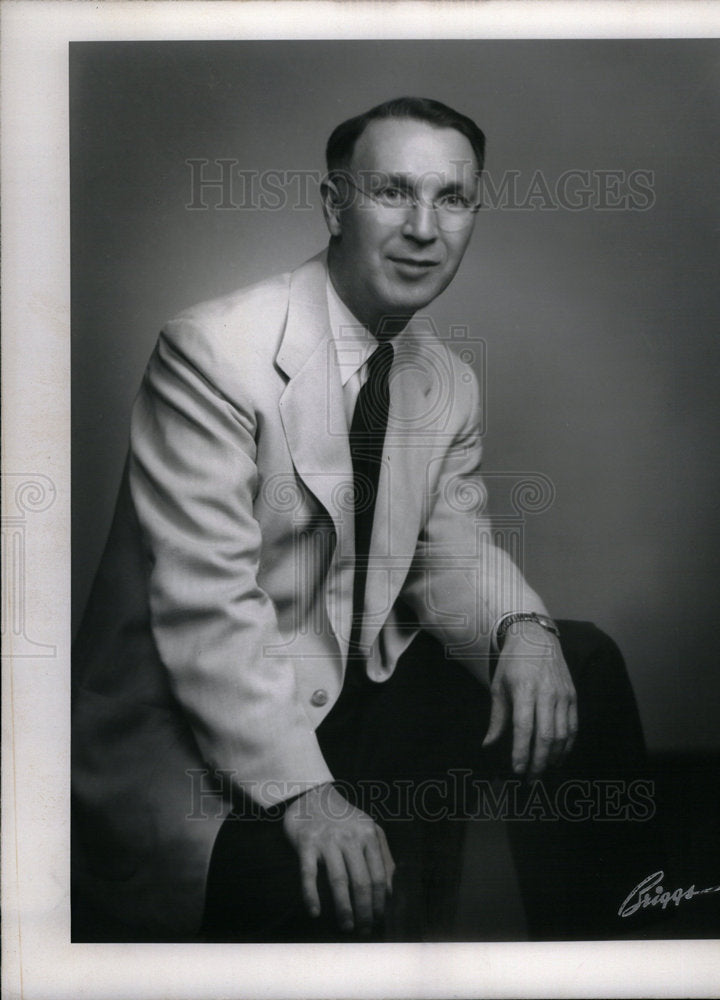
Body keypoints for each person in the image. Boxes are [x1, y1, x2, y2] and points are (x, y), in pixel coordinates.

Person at [72, 97, 657, 943]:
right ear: (335, 203)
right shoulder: (211, 350)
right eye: (393, 191)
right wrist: (310, 798)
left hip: (351, 691)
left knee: (582, 659)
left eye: (452, 199)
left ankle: (616, 957)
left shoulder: (443, 378)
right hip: (209, 729)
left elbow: (451, 554)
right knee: (308, 888)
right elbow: (207, 609)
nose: (424, 227)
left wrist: (525, 630)